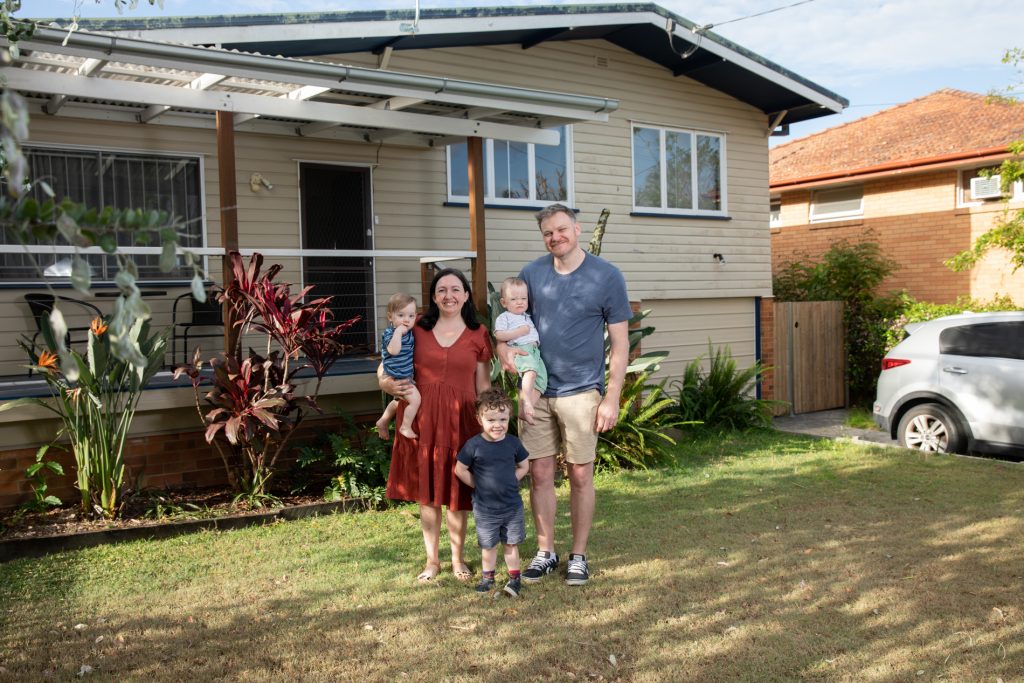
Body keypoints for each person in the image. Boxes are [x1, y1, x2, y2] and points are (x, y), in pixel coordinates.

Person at [497, 203, 631, 587]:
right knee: (539, 474)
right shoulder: (532, 274)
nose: (555, 238)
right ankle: (545, 551)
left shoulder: (606, 277)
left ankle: (579, 555)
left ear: (576, 227)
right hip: (536, 390)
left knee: (580, 474)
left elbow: (620, 344)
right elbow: (512, 322)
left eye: (561, 230)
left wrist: (612, 396)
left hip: (581, 392)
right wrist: (504, 351)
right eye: (547, 233)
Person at [380, 268, 492, 583]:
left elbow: (483, 385)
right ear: (433, 296)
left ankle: (457, 559)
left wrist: (490, 425)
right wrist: (388, 386)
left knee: (458, 491)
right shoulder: (415, 327)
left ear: (466, 295)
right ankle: (432, 561)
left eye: (456, 289)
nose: (448, 296)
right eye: (441, 290)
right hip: (421, 420)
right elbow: (385, 368)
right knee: (427, 492)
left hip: (462, 421)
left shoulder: (478, 333)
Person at [454, 388, 530, 597]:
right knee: (488, 545)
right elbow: (459, 469)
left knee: (510, 543)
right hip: (486, 509)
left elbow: (524, 465)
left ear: (509, 418)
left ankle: (515, 578)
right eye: (491, 419)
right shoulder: (473, 445)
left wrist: (511, 479)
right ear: (480, 419)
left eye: (503, 419)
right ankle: (488, 577)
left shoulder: (513, 443)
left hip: (511, 507)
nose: (497, 425)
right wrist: (477, 484)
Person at [492, 277, 548, 425]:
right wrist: (520, 331)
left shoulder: (525, 316)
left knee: (542, 381)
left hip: (534, 352)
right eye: (514, 299)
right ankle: (527, 400)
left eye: (524, 298)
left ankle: (526, 409)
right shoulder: (505, 317)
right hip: (521, 349)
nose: (520, 302)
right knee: (530, 373)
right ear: (504, 302)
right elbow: (499, 335)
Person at [376, 292, 420, 440]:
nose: (406, 320)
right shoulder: (391, 333)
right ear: (390, 317)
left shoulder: (409, 332)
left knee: (398, 401)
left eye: (411, 316)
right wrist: (398, 333)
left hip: (403, 375)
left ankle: (383, 421)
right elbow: (393, 351)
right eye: (401, 316)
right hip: (396, 376)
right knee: (415, 400)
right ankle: (405, 426)